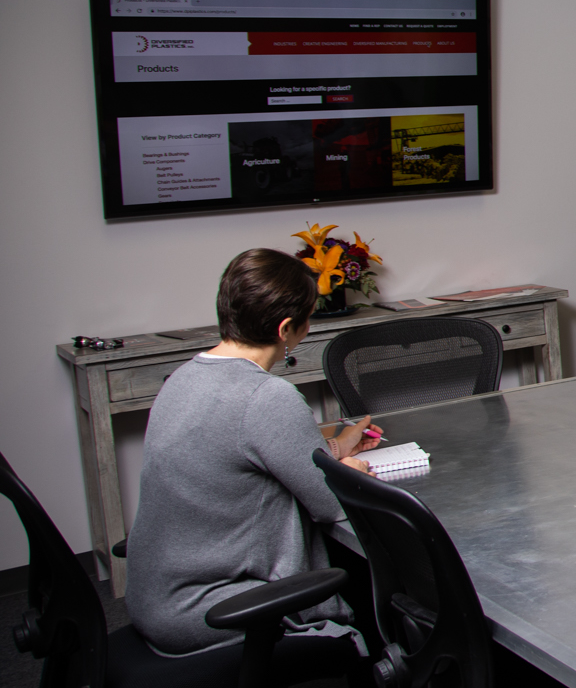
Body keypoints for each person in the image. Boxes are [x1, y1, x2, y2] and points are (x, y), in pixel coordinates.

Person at [125, 249, 383, 655]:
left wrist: (335, 447)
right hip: (216, 608)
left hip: (157, 598)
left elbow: (253, 455)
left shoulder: (184, 377)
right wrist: (352, 471)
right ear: (286, 329)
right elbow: (332, 506)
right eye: (307, 319)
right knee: (375, 585)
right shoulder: (265, 396)